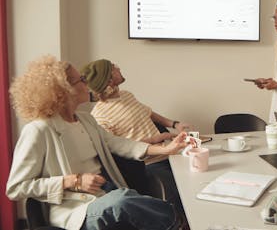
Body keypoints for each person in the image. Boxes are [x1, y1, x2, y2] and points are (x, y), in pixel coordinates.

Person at [6, 55, 189, 230]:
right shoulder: (38, 130)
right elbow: (16, 188)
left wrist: (167, 149)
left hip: (107, 193)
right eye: (82, 80)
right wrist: (72, 181)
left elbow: (120, 144)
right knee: (123, 200)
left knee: (124, 198)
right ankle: (180, 223)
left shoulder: (87, 120)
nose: (88, 84)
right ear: (64, 91)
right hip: (77, 210)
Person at [81, 59, 190, 227]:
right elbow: (119, 150)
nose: (118, 66)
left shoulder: (127, 95)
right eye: (113, 67)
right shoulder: (99, 115)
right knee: (182, 193)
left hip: (169, 153)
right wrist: (156, 140)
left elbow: (149, 113)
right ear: (109, 79)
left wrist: (174, 124)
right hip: (149, 165)